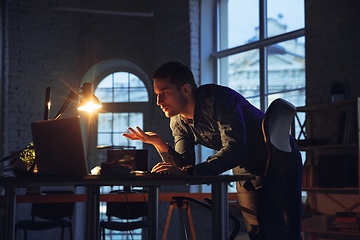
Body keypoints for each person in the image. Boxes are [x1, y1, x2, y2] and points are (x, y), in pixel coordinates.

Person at [122, 61, 303, 240]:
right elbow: (186, 165)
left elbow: (235, 150)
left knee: (286, 230)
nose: (159, 101)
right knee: (258, 232)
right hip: (246, 169)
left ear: (185, 89)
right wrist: (160, 144)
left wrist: (190, 171)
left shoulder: (219, 99)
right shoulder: (177, 121)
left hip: (281, 159)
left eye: (165, 93)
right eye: (157, 94)